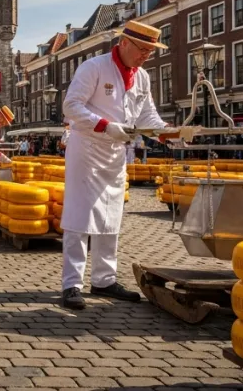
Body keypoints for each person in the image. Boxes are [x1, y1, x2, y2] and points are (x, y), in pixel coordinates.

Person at [60, 21, 170, 310]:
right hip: (87, 149)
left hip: (116, 153)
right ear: (124, 43)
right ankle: (72, 283)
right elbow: (71, 107)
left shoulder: (142, 77)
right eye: (143, 49)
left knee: (112, 214)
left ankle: (104, 279)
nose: (146, 55)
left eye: (151, 51)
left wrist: (170, 133)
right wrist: (105, 126)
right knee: (79, 216)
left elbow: (148, 116)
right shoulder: (93, 67)